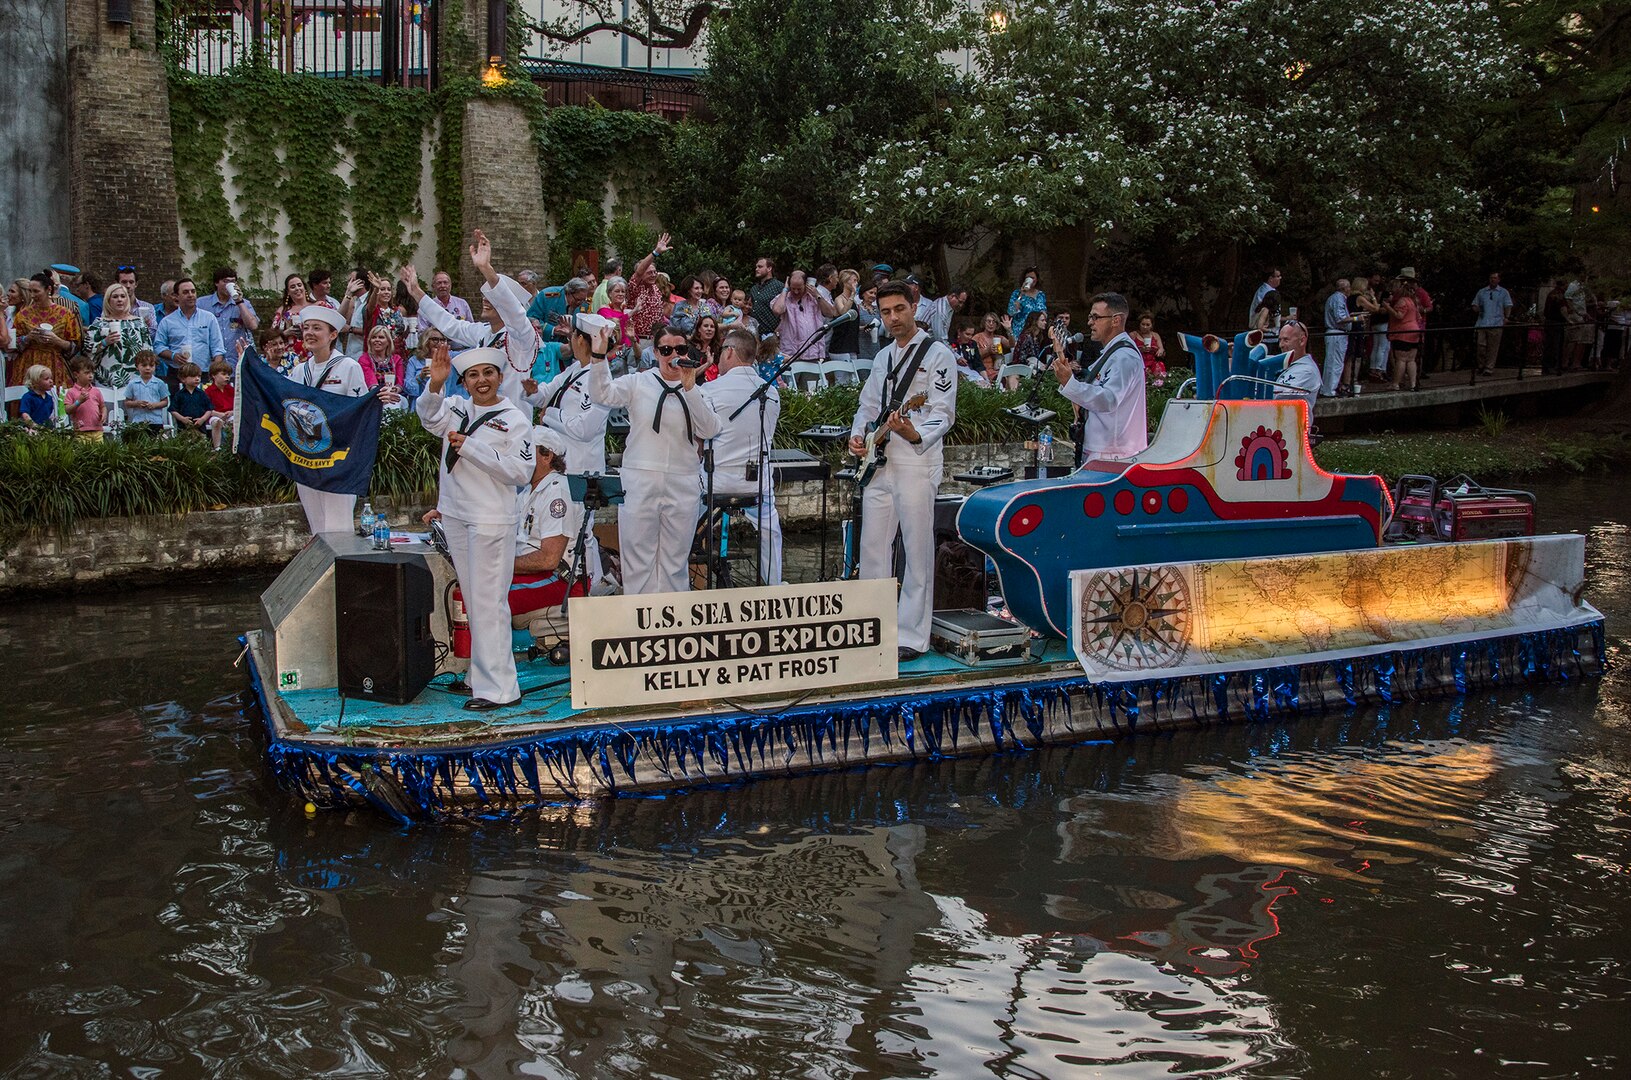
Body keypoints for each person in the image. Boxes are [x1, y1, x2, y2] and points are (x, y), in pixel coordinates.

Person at [417, 343, 534, 711]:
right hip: (456, 514)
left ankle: (501, 689)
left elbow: (520, 471)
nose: (481, 381)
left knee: (489, 603)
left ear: (500, 377)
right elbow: (429, 418)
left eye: (488, 373)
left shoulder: (514, 419)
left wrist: (472, 448)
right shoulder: (455, 408)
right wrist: (435, 386)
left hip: (490, 518)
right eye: (472, 375)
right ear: (464, 382)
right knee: (473, 600)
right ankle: (477, 678)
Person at [848, 280, 958, 662]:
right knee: (872, 545)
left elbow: (943, 412)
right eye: (885, 312)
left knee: (916, 546)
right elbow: (866, 406)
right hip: (879, 459)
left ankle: (912, 634)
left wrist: (915, 433)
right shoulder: (883, 358)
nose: (892, 318)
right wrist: (858, 435)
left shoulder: (938, 354)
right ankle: (872, 624)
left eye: (899, 309)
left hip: (915, 458)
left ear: (915, 307)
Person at [587, 320, 722, 595]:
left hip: (682, 479)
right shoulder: (639, 382)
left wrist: (690, 388)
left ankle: (673, 620)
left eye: (680, 349)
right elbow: (602, 393)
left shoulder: (697, 390)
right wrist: (599, 357)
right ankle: (638, 618)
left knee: (675, 558)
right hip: (641, 476)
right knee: (638, 556)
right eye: (665, 350)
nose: (674, 356)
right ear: (656, 353)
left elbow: (710, 429)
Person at [402, 230, 537, 407]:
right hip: (481, 414)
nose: (485, 300)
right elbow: (450, 325)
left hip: (511, 418)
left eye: (492, 297)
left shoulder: (522, 336)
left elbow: (515, 314)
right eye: (485, 296)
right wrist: (417, 293)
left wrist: (486, 268)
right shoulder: (483, 332)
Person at [287, 306, 386, 533]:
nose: (310, 333)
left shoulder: (348, 366)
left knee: (338, 527)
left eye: (317, 328)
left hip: (337, 459)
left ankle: (341, 568)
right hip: (307, 459)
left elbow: (360, 411)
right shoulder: (299, 371)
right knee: (317, 527)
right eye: (306, 328)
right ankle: (324, 568)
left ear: (332, 335)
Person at [701, 325, 785, 585]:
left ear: (729, 352)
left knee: (684, 518)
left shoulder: (710, 389)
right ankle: (773, 585)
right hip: (757, 485)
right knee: (771, 529)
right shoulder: (771, 391)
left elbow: (700, 435)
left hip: (715, 483)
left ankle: (680, 580)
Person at [1051, 291, 1146, 461]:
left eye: (1096, 317)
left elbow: (1108, 400)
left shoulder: (1124, 357)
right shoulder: (1113, 353)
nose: (1090, 322)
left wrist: (1070, 383)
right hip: (1105, 449)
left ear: (1116, 320)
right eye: (1090, 317)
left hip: (1114, 453)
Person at [509, 426, 589, 620]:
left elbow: (549, 559)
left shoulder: (558, 492)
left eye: (527, 450)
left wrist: (501, 565)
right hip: (535, 575)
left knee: (486, 597)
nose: (520, 457)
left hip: (559, 580)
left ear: (547, 456)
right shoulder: (528, 492)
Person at [10, 272, 82, 395]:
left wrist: (56, 340)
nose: (32, 295)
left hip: (54, 364)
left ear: (48, 289)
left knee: (55, 401)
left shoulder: (65, 314)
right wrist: (28, 338)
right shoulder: (23, 314)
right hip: (27, 365)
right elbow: (12, 343)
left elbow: (76, 346)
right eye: (30, 291)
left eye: (36, 291)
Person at [155, 278, 225, 392]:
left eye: (193, 291)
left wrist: (216, 372)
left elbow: (218, 347)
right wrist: (173, 356)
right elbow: (158, 346)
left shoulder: (209, 318)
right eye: (185, 292)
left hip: (203, 373)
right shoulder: (167, 321)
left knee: (204, 408)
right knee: (176, 408)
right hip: (177, 374)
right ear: (177, 296)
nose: (190, 295)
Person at [86, 283, 153, 390]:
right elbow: (88, 352)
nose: (119, 300)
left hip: (135, 379)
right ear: (108, 300)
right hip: (106, 380)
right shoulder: (99, 324)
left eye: (123, 296)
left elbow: (148, 351)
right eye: (115, 297)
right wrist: (105, 342)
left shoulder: (139, 323)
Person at [771, 270, 830, 372]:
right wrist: (785, 289)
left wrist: (817, 295)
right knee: (790, 387)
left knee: (811, 387)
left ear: (806, 284)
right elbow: (777, 310)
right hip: (790, 354)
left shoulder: (816, 296)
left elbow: (830, 313)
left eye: (799, 288)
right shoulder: (784, 297)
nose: (796, 291)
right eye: (793, 288)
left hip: (812, 353)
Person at [197, 267, 260, 358]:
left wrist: (239, 302)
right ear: (216, 283)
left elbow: (253, 326)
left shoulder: (244, 304)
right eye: (226, 281)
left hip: (236, 359)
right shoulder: (202, 304)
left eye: (233, 281)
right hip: (211, 360)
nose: (230, 284)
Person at [1272, 320, 1322, 434]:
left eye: (1286, 340)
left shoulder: (1307, 370)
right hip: (1277, 428)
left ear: (1302, 340)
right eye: (1280, 340)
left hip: (1294, 433)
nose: (1281, 345)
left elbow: (1277, 396)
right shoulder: (1282, 363)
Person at [1384, 276, 1423, 390]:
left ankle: (1395, 384)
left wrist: (1388, 307)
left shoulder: (1403, 301)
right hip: (1414, 331)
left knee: (1401, 359)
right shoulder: (1413, 301)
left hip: (1403, 332)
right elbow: (1419, 317)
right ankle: (1413, 384)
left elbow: (1399, 315)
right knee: (1411, 359)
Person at [1472, 271, 1513, 375]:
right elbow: (1475, 304)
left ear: (1498, 280)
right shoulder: (1482, 292)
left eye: (1495, 278)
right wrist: (1476, 308)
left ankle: (1488, 368)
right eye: (1491, 278)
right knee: (1480, 346)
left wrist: (1506, 317)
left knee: (1493, 347)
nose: (1492, 280)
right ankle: (1481, 365)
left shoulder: (1503, 292)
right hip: (1482, 322)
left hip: (1496, 322)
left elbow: (1508, 305)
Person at [120, 350, 169, 437]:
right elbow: (127, 402)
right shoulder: (132, 383)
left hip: (156, 421)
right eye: (144, 365)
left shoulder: (159, 383)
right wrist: (137, 403)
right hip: (138, 421)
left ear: (155, 366)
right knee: (140, 444)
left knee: (155, 443)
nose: (148, 368)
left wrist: (155, 405)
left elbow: (165, 402)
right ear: (137, 367)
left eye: (151, 365)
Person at [1321, 279, 1356, 396]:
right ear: (1344, 288)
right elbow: (1340, 319)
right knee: (1335, 362)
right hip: (1337, 333)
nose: (1350, 289)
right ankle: (1331, 390)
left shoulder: (1334, 298)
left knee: (1333, 362)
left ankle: (1328, 388)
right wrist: (1356, 319)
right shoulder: (1339, 298)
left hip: (1335, 333)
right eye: (1349, 287)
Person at [63, 356, 106, 440]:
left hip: (97, 430)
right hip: (80, 431)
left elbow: (102, 406)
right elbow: (67, 410)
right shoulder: (71, 392)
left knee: (99, 452)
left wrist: (104, 413)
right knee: (83, 452)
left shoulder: (96, 391)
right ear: (76, 375)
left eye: (92, 373)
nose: (91, 376)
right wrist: (78, 402)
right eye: (87, 373)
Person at [170, 361, 215, 438]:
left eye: (199, 376)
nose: (197, 379)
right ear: (183, 379)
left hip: (200, 428)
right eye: (193, 376)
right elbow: (173, 410)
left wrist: (202, 419)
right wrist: (182, 419)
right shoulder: (179, 394)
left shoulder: (202, 394)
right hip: (184, 429)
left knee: (201, 446)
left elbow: (209, 409)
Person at [113, 266, 159, 337]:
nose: (128, 286)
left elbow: (154, 333)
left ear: (136, 284)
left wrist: (148, 325)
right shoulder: (111, 307)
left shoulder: (147, 307)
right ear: (117, 284)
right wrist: (141, 328)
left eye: (131, 282)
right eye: (124, 282)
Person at [204, 359, 235, 447]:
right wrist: (218, 414)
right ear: (214, 375)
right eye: (224, 374)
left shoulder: (231, 390)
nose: (227, 377)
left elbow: (238, 406)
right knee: (217, 422)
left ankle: (231, 446)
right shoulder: (208, 391)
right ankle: (217, 447)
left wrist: (231, 412)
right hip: (214, 415)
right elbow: (206, 408)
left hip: (229, 414)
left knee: (233, 422)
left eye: (228, 374)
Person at [749, 256, 785, 335]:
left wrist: (778, 329)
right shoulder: (754, 289)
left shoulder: (779, 286)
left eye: (760, 267)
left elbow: (787, 311)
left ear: (769, 269)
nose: (756, 269)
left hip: (772, 335)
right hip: (754, 335)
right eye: (756, 267)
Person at [17, 364, 59, 429]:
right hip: (30, 430)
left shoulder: (49, 398)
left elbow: (49, 415)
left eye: (51, 378)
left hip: (45, 430)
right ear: (35, 382)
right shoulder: (28, 397)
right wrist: (34, 426)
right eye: (46, 379)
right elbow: (25, 415)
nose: (51, 381)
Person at [1132, 312, 1165, 387]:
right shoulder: (1133, 335)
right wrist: (1140, 349)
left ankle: (1158, 387)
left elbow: (1161, 348)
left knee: (1160, 366)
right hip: (1139, 362)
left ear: (1151, 326)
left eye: (1147, 325)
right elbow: (1128, 349)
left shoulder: (1155, 335)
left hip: (1152, 362)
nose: (1145, 327)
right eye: (1143, 324)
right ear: (1139, 324)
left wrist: (1159, 351)